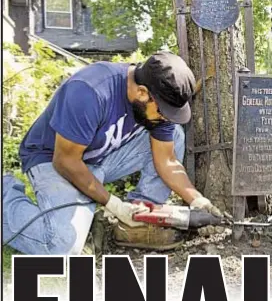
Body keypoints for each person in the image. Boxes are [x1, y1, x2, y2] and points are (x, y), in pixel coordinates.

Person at [2, 51, 222, 254]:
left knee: (173, 134)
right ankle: (5, 197)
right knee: (61, 245)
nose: (165, 118)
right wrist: (112, 204)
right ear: (142, 92)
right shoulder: (90, 91)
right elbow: (65, 161)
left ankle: (135, 219)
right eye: (163, 112)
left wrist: (197, 200)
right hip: (52, 159)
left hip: (99, 157)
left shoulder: (157, 102)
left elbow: (167, 160)